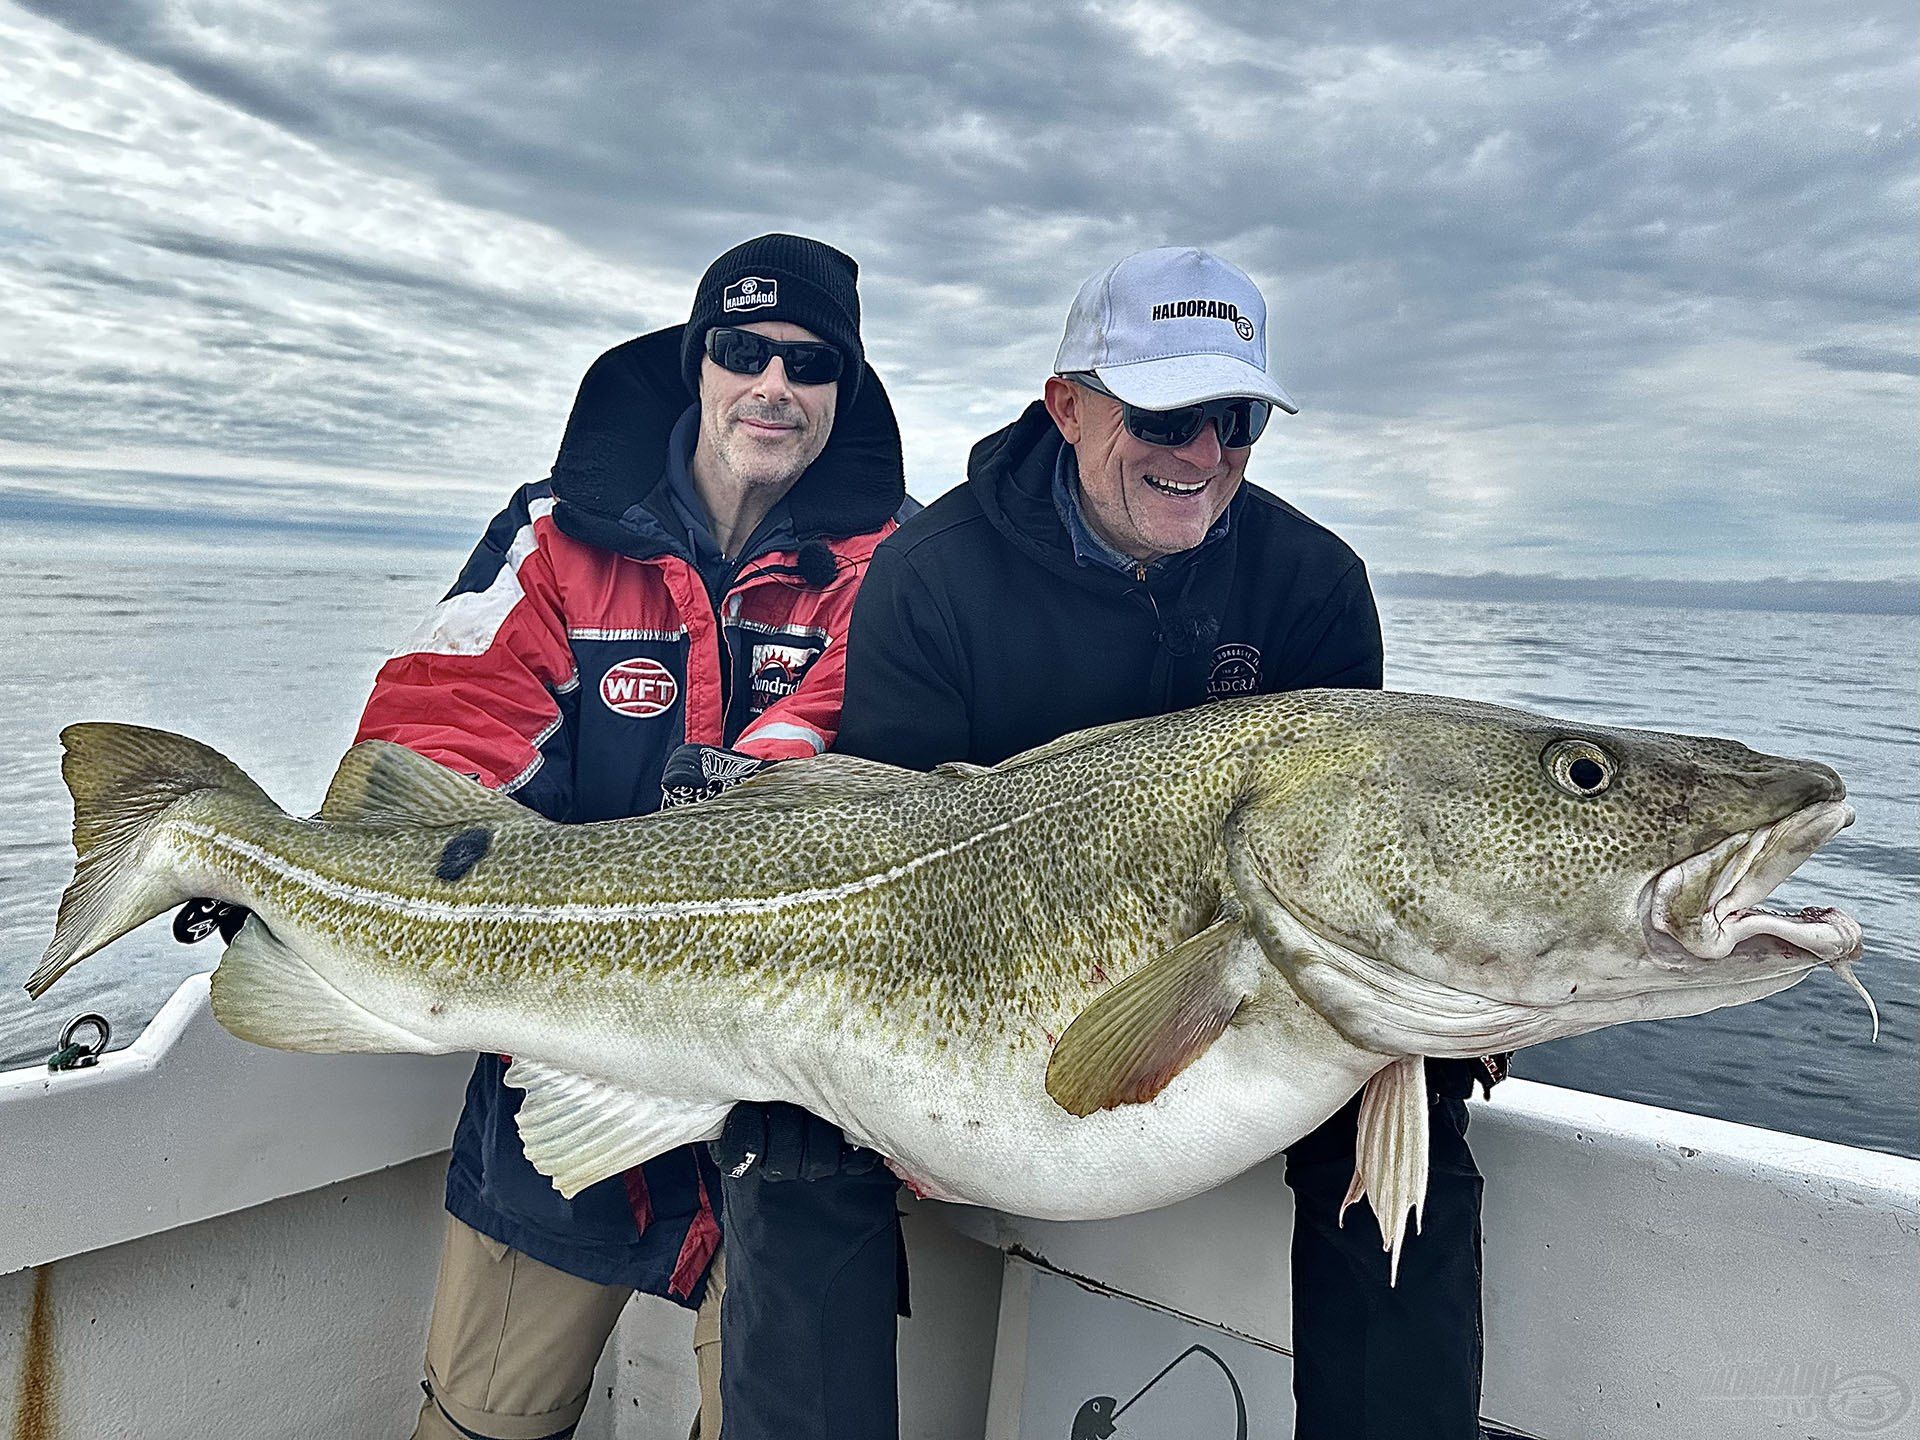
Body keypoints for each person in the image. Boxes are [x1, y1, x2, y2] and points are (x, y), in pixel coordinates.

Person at [828, 246, 1502, 1439]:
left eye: (1236, 419)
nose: (1203, 457)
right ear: (1068, 406)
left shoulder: (1312, 584)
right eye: (1167, 414)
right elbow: (887, 864)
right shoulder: (929, 579)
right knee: (799, 1138)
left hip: (1238, 974)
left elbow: (1346, 858)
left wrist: (1466, 1000)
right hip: (953, 969)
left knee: (1412, 1110)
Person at [353, 233, 907, 1440]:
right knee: (484, 1416)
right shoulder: (555, 536)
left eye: (811, 364)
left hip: (792, 1092)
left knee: (774, 1417)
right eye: (743, 348)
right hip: (557, 1054)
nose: (774, 383)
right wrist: (359, 887)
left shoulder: (900, 565)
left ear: (843, 391)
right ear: (695, 361)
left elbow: (873, 737)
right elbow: (442, 725)